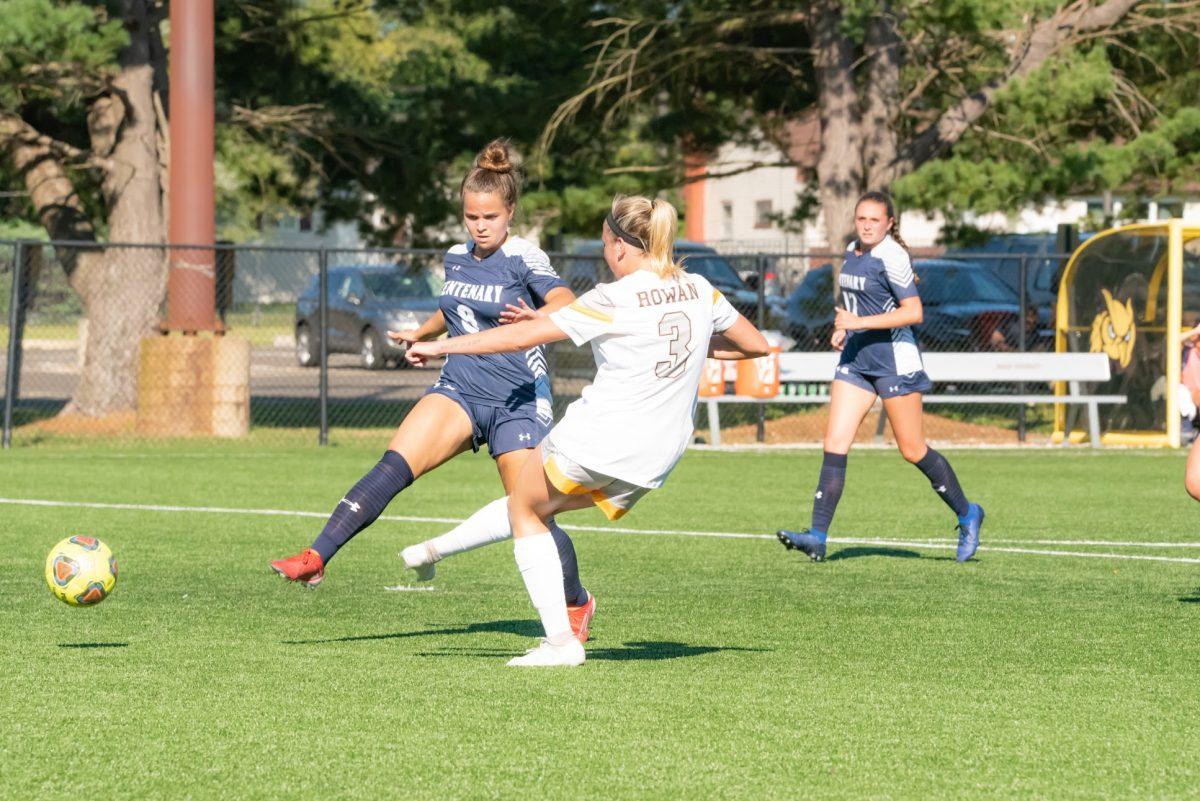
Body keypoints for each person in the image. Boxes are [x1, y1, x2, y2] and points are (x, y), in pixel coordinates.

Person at [404, 195, 769, 666]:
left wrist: (441, 347)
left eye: (604, 243)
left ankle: (560, 642)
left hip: (602, 438)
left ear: (619, 246)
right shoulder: (699, 288)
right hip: (660, 453)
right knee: (533, 504)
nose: (604, 252)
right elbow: (755, 344)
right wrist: (696, 346)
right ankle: (432, 551)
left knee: (526, 510)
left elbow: (516, 338)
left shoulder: (611, 298)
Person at [269, 140, 597, 641]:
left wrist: (541, 315)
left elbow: (564, 299)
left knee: (529, 509)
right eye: (470, 216)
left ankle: (576, 600)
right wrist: (423, 333)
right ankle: (317, 555)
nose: (479, 225)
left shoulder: (523, 256)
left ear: (510, 211)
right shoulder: (456, 256)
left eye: (489, 216)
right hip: (462, 386)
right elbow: (455, 307)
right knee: (393, 466)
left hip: (517, 399)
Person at [776, 191, 985, 562]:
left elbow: (913, 312)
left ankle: (968, 513)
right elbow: (857, 303)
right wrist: (845, 327)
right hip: (857, 360)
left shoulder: (893, 255)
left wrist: (859, 322)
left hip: (894, 362)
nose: (867, 225)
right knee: (834, 445)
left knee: (912, 450)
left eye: (875, 219)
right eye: (862, 219)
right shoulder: (853, 252)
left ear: (889, 223)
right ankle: (817, 536)